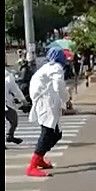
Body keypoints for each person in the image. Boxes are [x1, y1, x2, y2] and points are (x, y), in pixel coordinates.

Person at [25, 47, 70, 177]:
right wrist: (66, 99)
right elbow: (58, 86)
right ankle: (32, 166)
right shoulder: (56, 68)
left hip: (47, 103)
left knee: (56, 134)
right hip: (46, 104)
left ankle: (40, 158)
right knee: (47, 133)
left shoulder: (47, 67)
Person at [4, 66, 26, 146]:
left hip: (6, 103)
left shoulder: (8, 76)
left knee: (13, 119)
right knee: (13, 120)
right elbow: (16, 90)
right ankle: (9, 135)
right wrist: (23, 100)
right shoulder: (8, 76)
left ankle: (9, 135)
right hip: (6, 103)